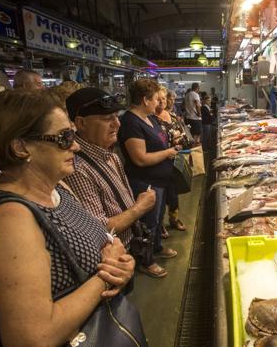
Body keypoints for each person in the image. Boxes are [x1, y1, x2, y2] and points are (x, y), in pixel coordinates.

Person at [0, 90, 135, 345]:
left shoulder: (57, 188)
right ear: (20, 147)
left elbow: (98, 237)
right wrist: (106, 277)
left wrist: (118, 257)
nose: (75, 145)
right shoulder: (11, 217)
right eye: (64, 137)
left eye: (72, 134)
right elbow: (32, 338)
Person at [63, 87, 158, 273]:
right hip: (110, 261)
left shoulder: (110, 155)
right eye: (107, 119)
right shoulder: (77, 168)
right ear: (81, 123)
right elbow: (99, 227)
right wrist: (139, 208)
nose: (117, 124)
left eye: (116, 117)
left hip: (128, 249)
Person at [118, 79, 178, 278]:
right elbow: (140, 159)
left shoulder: (149, 118)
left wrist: (171, 142)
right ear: (145, 100)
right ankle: (146, 261)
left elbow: (158, 141)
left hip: (160, 180)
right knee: (148, 223)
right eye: (155, 100)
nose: (158, 104)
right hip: (144, 182)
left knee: (158, 219)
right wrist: (168, 152)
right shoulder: (130, 122)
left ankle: (157, 248)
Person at [155, 88, 188, 234]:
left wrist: (180, 140)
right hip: (159, 164)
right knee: (160, 198)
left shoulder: (172, 115)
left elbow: (184, 135)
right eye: (159, 99)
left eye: (164, 98)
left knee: (174, 195)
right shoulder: (151, 119)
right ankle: (160, 224)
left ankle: (174, 219)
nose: (162, 101)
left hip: (175, 161)